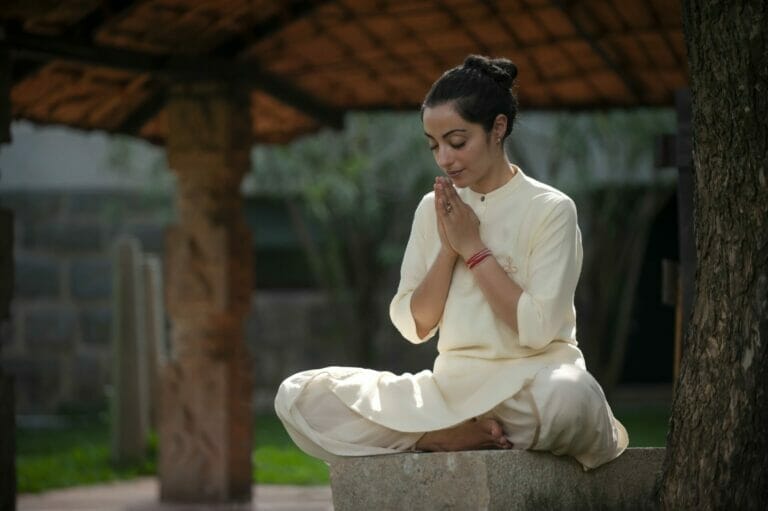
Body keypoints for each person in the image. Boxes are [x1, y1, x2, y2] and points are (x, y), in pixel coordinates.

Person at [274, 55, 628, 470]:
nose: (444, 158)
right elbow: (414, 325)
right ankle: (440, 436)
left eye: (457, 142)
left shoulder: (550, 209)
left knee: (573, 398)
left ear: (497, 128)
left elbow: (536, 331)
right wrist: (448, 248)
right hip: (450, 390)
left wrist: (474, 248)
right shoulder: (433, 208)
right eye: (434, 145)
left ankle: (469, 430)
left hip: (532, 385)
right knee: (299, 395)